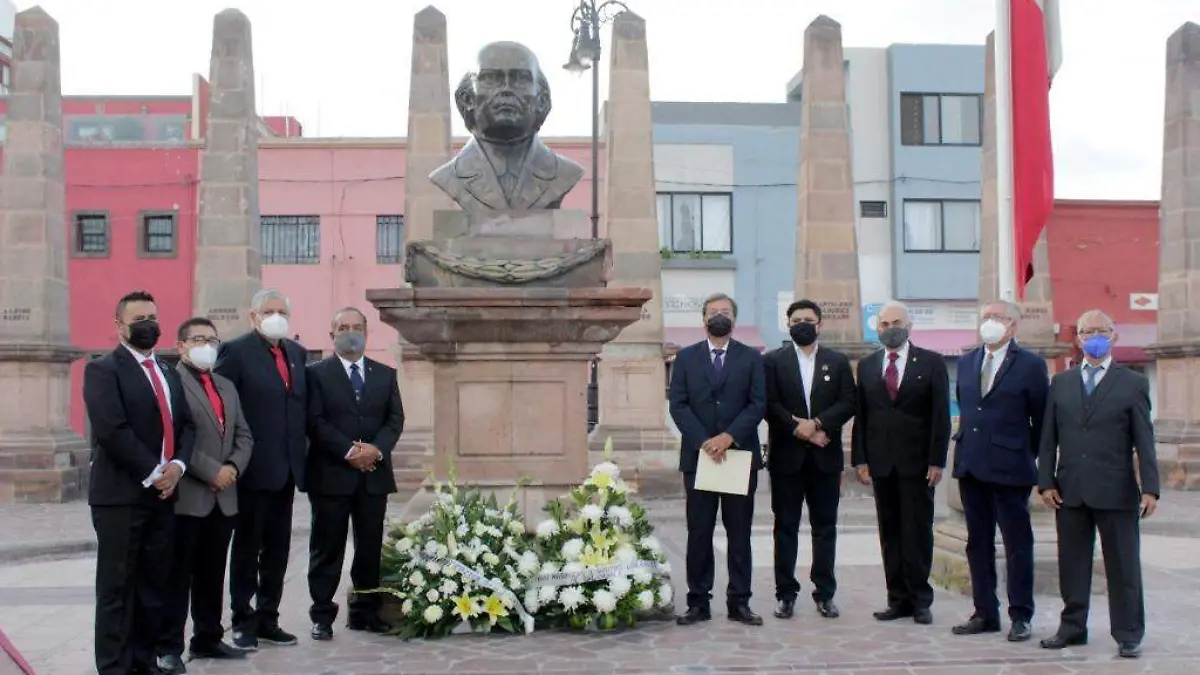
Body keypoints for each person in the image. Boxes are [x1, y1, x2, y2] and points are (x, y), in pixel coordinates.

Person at [84, 290, 196, 675]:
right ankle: (114, 666)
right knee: (117, 588)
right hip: (121, 497)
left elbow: (186, 426)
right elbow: (112, 430)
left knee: (153, 586)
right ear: (119, 326)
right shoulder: (103, 370)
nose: (147, 324)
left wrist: (178, 466)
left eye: (152, 316)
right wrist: (154, 473)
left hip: (164, 495)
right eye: (138, 319)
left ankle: (143, 660)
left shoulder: (167, 371)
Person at [1037, 309, 1159, 659]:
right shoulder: (1061, 383)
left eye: (1101, 330)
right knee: (1072, 563)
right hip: (1070, 489)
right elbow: (1049, 437)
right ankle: (1072, 627)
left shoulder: (1133, 383)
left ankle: (1128, 633)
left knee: (1122, 565)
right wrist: (1046, 481)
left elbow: (1144, 440)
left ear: (1114, 336)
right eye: (1087, 331)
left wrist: (1150, 487)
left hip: (1116, 491)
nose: (1094, 337)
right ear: (1077, 339)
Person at [157, 318, 254, 672]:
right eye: (198, 339)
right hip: (188, 494)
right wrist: (209, 470)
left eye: (212, 340)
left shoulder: (226, 385)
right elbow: (175, 437)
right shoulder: (171, 381)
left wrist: (232, 468)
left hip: (223, 496)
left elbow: (244, 435)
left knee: (213, 573)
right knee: (178, 576)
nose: (207, 345)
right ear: (181, 345)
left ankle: (208, 637)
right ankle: (169, 646)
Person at [215, 288, 308, 649]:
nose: (275, 316)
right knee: (247, 547)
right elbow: (225, 409)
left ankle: (270, 617)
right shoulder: (235, 352)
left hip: (286, 470)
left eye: (281, 310)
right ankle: (243, 619)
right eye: (268, 310)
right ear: (253, 315)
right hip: (250, 470)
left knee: (278, 549)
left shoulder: (297, 354)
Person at [950, 301, 1048, 642]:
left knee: (1017, 543)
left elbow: (1041, 420)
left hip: (1011, 468)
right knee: (978, 543)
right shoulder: (966, 362)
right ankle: (984, 611)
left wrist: (1024, 453)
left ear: (1014, 326)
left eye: (999, 318)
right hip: (972, 465)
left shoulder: (1031, 365)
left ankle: (1021, 614)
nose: (991, 323)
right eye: (987, 317)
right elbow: (967, 408)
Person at [306, 308, 405, 640]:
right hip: (332, 474)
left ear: (367, 332)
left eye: (357, 327)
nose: (351, 332)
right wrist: (349, 451)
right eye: (343, 327)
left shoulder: (386, 374)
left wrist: (375, 450)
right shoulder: (316, 374)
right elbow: (315, 421)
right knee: (327, 547)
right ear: (332, 333)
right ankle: (322, 615)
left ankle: (366, 613)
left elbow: (394, 421)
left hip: (373, 476)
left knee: (369, 548)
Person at [668, 293, 766, 627]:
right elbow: (678, 404)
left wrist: (729, 437)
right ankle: (698, 602)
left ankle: (739, 601)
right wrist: (705, 441)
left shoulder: (752, 358)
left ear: (734, 320)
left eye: (725, 312)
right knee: (700, 533)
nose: (719, 316)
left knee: (739, 533)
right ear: (703, 320)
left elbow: (757, 404)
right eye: (714, 312)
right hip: (700, 459)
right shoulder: (686, 358)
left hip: (738, 457)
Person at [851, 300, 950, 625]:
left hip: (918, 463)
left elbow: (940, 415)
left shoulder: (932, 362)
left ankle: (921, 599)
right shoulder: (867, 365)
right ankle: (897, 599)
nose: (890, 328)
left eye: (896, 322)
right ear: (876, 328)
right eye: (884, 323)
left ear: (908, 326)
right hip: (881, 463)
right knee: (889, 532)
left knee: (917, 532)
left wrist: (936, 459)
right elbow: (862, 416)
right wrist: (860, 459)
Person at [763, 299, 856, 620]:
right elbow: (769, 404)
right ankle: (785, 594)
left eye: (809, 319)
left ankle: (825, 593)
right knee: (785, 527)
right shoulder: (773, 361)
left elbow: (848, 402)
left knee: (825, 528)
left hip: (824, 458)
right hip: (786, 459)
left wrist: (817, 425)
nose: (803, 323)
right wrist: (799, 429)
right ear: (788, 325)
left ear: (820, 324)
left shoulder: (837, 361)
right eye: (797, 319)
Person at [430, 41, 584, 214]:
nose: (506, 89)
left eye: (521, 79)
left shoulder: (564, 172)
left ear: (541, 99)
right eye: (490, 78)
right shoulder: (450, 176)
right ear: (468, 98)